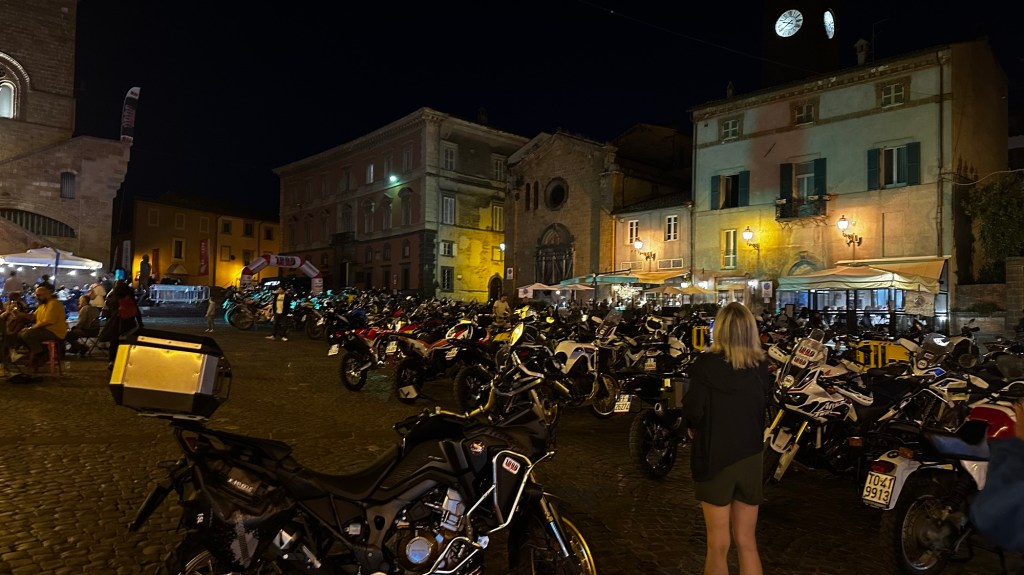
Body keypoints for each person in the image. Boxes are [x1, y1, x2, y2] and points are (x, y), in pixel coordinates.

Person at [683, 302, 770, 575]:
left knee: (717, 544)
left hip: (715, 456)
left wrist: (691, 427)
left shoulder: (705, 365)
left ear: (718, 330)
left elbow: (694, 411)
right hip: (751, 456)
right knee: (747, 542)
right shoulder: (760, 366)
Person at [16, 284, 69, 371]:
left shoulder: (54, 304)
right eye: (36, 295)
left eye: (39, 295)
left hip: (55, 332)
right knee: (20, 335)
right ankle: (39, 352)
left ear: (47, 294)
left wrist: (32, 328)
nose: (37, 297)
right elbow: (33, 316)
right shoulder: (42, 305)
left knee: (27, 334)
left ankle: (40, 353)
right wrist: (20, 314)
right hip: (45, 330)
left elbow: (48, 321)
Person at [99, 279, 143, 369]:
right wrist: (140, 323)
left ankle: (112, 361)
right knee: (129, 341)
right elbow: (136, 311)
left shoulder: (113, 298)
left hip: (117, 323)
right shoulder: (129, 298)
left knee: (114, 342)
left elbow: (108, 313)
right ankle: (128, 358)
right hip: (130, 324)